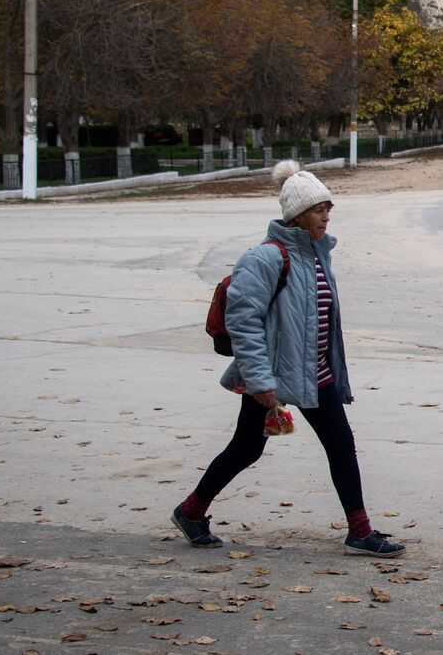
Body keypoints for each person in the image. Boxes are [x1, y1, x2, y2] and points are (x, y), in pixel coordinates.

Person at [171, 160, 404, 558]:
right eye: (319, 209)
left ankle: (360, 532)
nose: (327, 216)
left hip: (317, 374)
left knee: (341, 445)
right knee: (247, 449)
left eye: (328, 208)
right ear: (296, 215)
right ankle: (191, 511)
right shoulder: (263, 258)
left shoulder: (317, 254)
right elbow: (244, 324)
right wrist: (261, 382)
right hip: (274, 378)